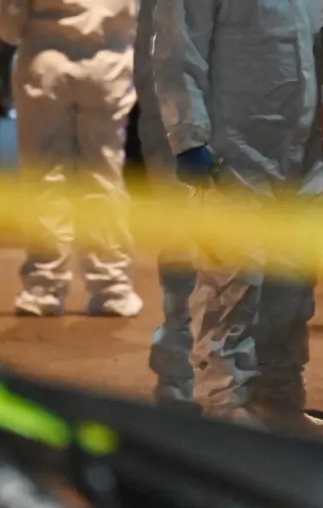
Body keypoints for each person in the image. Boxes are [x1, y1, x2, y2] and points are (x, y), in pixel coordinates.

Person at [151, 0, 323, 435]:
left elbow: (322, 32)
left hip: (300, 149)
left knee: (293, 279)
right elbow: (178, 50)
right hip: (233, 147)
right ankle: (224, 399)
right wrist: (188, 135)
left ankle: (280, 400)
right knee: (232, 279)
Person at [0, 0, 143, 317]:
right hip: (110, 63)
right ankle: (111, 288)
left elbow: (7, 21)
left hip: (46, 62)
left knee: (45, 177)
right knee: (104, 177)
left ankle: (43, 288)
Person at [135, 0, 198, 412]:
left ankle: (257, 388)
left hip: (259, 103)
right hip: (176, 103)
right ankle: (179, 379)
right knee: (185, 246)